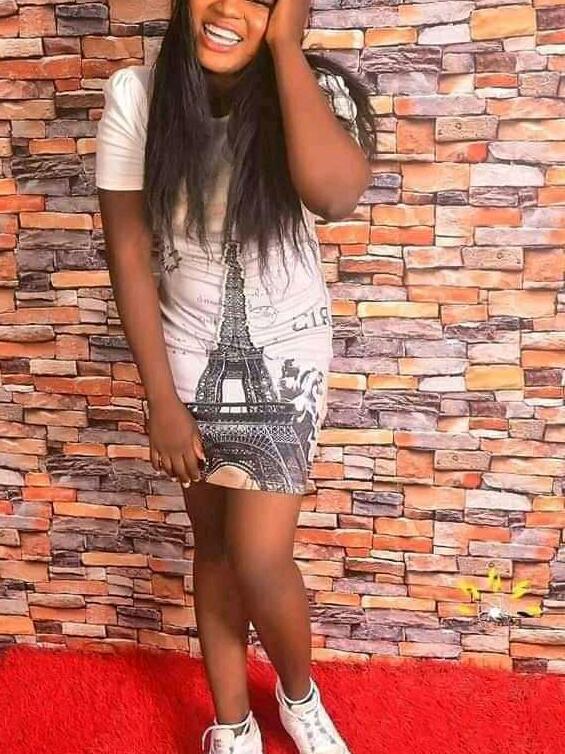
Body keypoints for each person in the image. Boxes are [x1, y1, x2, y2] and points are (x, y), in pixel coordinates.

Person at [95, 1, 376, 751]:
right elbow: (129, 253)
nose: (229, 9)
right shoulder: (138, 96)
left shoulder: (313, 92)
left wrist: (284, 46)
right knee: (215, 546)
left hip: (284, 347)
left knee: (258, 556)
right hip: (185, 347)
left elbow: (334, 194)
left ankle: (298, 694)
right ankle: (231, 722)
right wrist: (160, 400)